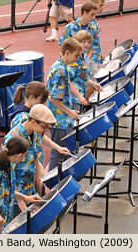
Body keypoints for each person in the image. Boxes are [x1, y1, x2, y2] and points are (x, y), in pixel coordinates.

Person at [2, 104, 57, 219]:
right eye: (44, 127)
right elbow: (7, 171)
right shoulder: (13, 139)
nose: (45, 131)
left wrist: (39, 184)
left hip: (29, 190)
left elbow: (35, 159)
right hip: (15, 195)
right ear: (33, 121)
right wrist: (19, 198)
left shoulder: (36, 133)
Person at [9, 82, 70, 169]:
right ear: (31, 97)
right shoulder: (22, 118)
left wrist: (58, 147)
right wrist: (39, 169)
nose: (43, 104)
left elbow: (39, 135)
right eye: (41, 101)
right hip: (25, 169)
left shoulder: (33, 118)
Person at [47, 38, 82, 171]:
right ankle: (52, 187)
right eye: (76, 55)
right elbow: (54, 99)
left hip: (62, 118)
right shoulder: (60, 70)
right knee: (58, 155)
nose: (77, 59)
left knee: (62, 154)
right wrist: (70, 112)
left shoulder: (62, 67)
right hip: (58, 119)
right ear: (67, 52)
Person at [69, 30, 102, 111]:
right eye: (83, 42)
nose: (86, 44)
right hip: (73, 97)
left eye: (88, 42)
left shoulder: (84, 56)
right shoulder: (74, 59)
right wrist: (79, 96)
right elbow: (68, 80)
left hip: (80, 94)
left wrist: (92, 83)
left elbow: (81, 76)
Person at [87, 0, 105, 75]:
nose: (102, 8)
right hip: (90, 60)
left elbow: (95, 42)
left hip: (94, 58)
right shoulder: (89, 23)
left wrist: (100, 54)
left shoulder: (94, 21)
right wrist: (87, 59)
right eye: (100, 5)